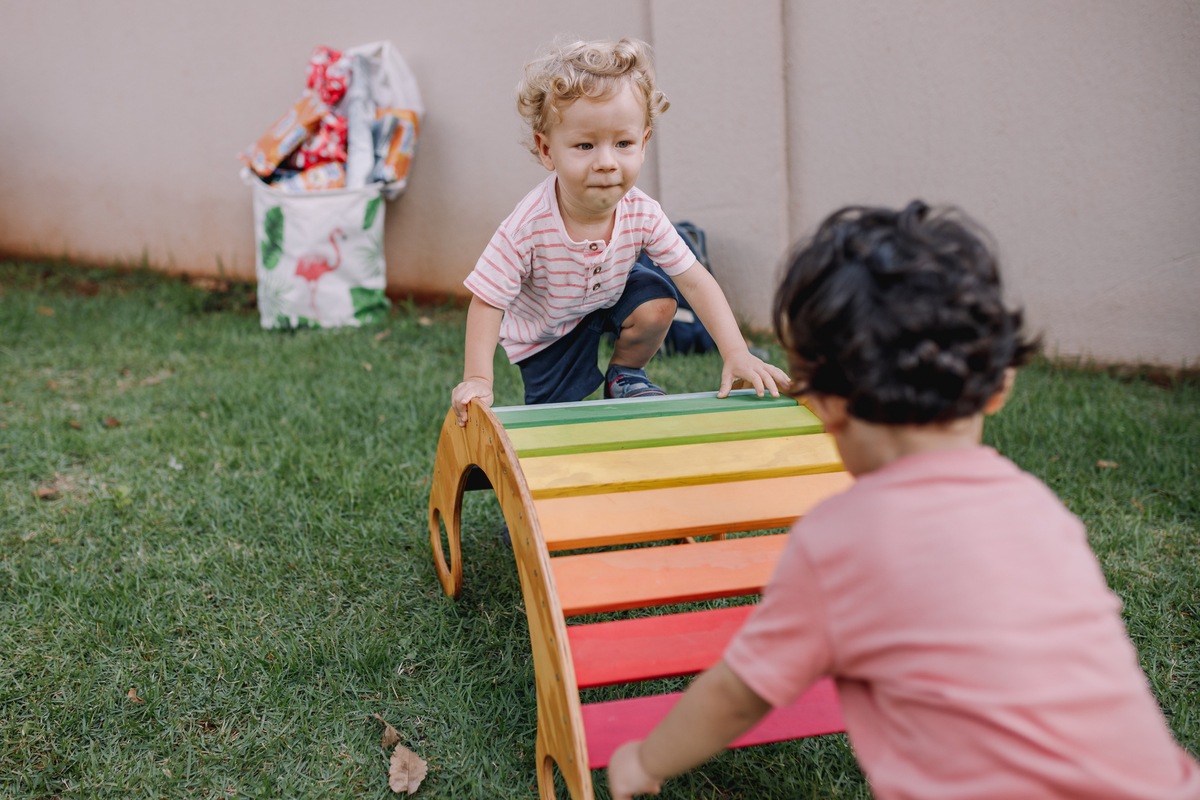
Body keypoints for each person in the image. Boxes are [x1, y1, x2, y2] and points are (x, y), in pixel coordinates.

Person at [607, 202, 1200, 799]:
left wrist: (646, 760)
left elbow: (740, 691)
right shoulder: (1040, 510)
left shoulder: (840, 540)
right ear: (1000, 386)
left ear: (821, 401)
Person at [450, 38, 788, 425]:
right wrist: (478, 378)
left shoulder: (642, 212)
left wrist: (736, 351)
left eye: (623, 143)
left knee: (658, 299)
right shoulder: (526, 228)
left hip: (611, 297)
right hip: (549, 332)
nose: (607, 162)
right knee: (557, 422)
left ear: (643, 143)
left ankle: (625, 375)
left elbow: (695, 281)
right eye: (584, 145)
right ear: (547, 150)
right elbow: (488, 300)